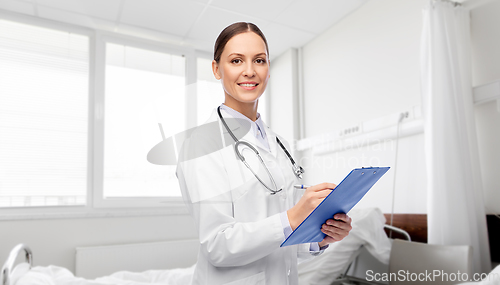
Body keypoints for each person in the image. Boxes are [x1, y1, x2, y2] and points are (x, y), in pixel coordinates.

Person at [176, 22, 352, 285]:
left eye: (259, 60)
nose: (250, 71)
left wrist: (320, 238)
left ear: (268, 69)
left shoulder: (278, 143)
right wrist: (293, 217)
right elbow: (218, 245)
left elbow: (282, 237)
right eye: (236, 60)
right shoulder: (201, 144)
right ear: (216, 69)